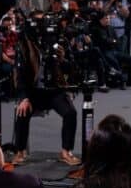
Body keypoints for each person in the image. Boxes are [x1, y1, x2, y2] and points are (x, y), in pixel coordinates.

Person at [11, 18, 80, 167]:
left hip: (53, 90)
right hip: (33, 92)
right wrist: (24, 98)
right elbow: (20, 75)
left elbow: (71, 68)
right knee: (22, 112)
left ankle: (66, 151)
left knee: (70, 113)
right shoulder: (23, 46)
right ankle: (20, 151)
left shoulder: (56, 43)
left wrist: (62, 60)